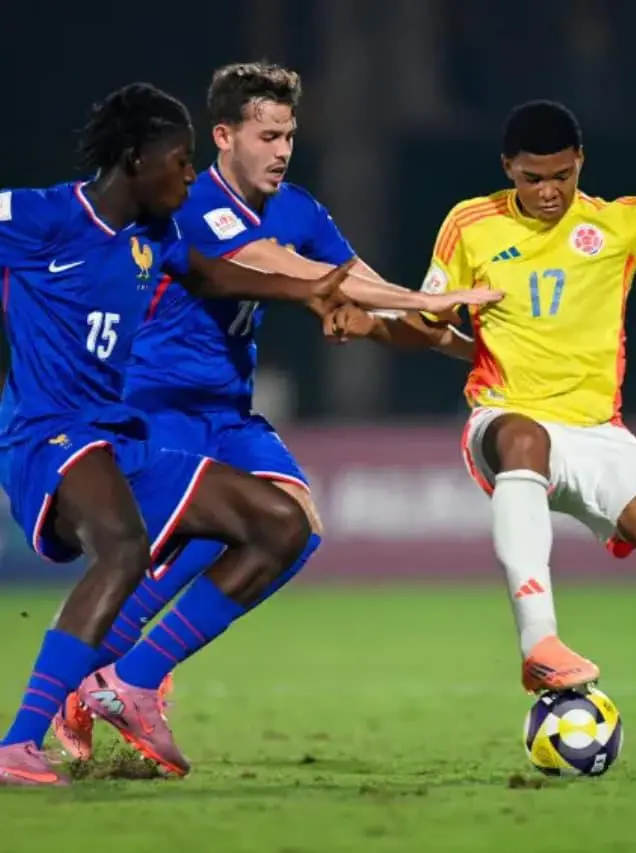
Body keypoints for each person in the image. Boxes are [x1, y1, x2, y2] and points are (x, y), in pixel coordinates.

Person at [48, 64, 498, 767]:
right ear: (224, 136)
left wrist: (468, 349)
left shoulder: (300, 209)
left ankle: (124, 682)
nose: (282, 149)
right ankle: (71, 696)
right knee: (148, 573)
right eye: (267, 135)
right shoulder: (189, 200)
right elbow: (280, 266)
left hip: (228, 414)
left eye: (289, 134)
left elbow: (367, 296)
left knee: (295, 522)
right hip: (156, 411)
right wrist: (422, 299)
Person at [327, 100, 636, 774]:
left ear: (581, 165)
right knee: (524, 440)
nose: (548, 191)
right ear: (506, 170)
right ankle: (540, 643)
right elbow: (431, 326)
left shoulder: (618, 223)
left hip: (599, 433)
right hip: (504, 415)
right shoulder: (470, 224)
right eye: (531, 177)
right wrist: (376, 326)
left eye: (562, 175)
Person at [0, 82, 352, 786]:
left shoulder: (154, 236)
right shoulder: (43, 216)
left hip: (116, 438)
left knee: (281, 524)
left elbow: (217, 277)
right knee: (124, 550)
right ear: (134, 160)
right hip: (49, 434)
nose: (190, 177)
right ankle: (17, 742)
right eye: (179, 161)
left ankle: (127, 685)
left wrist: (313, 289)